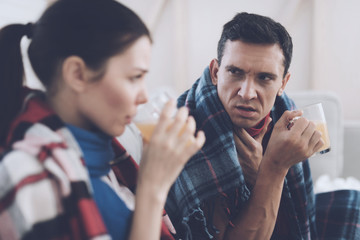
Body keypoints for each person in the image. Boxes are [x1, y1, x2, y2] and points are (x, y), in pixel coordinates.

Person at [0, 0, 205, 239]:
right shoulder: (27, 173)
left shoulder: (105, 159)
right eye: (134, 77)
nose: (144, 96)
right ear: (77, 74)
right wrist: (152, 189)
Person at [165, 12, 360, 239]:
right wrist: (274, 167)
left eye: (265, 78)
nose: (247, 93)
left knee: (353, 207)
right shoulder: (187, 129)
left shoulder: (283, 114)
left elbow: (296, 212)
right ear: (216, 72)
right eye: (235, 72)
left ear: (282, 83)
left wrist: (259, 175)